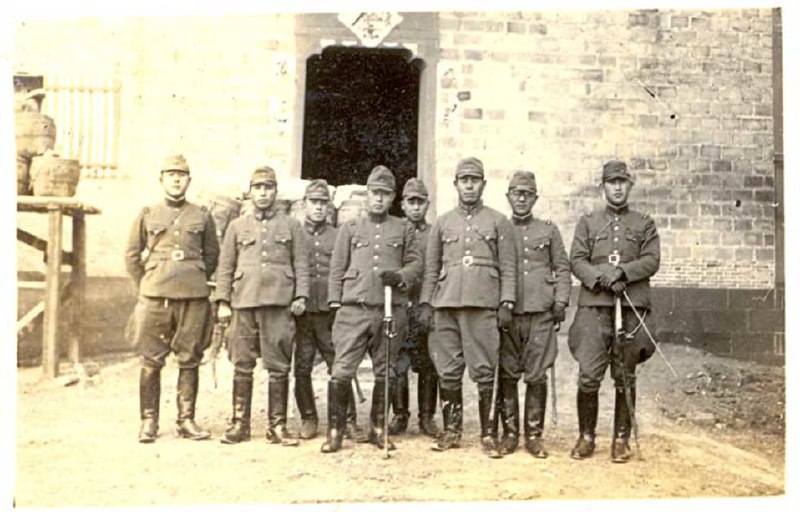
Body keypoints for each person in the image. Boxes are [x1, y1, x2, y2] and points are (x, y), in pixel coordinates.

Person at [419, 157, 516, 457]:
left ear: (483, 184)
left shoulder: (499, 221)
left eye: (475, 180)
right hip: (446, 303)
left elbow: (509, 266)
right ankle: (452, 431)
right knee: (448, 370)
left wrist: (506, 302)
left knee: (484, 369)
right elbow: (432, 267)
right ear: (456, 185)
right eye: (464, 180)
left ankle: (488, 434)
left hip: (482, 303)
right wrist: (426, 303)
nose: (469, 185)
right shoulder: (443, 223)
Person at [321, 165, 422, 453]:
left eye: (385, 194)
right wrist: (334, 303)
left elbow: (416, 264)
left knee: (385, 371)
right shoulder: (350, 228)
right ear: (367, 195)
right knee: (341, 371)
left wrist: (401, 277)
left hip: (390, 312)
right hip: (354, 310)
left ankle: (379, 429)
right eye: (375, 193)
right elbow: (337, 267)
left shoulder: (404, 228)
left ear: (393, 198)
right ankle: (335, 431)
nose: (379, 199)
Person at [568, 160, 660, 463]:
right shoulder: (588, 222)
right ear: (602, 187)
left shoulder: (644, 222)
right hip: (595, 308)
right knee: (589, 375)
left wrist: (621, 272)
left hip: (630, 309)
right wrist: (600, 277)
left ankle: (620, 440)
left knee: (625, 375)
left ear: (630, 185)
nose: (617, 187)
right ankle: (586, 437)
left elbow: (651, 261)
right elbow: (577, 260)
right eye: (611, 182)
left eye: (622, 182)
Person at [124, 154, 219, 443]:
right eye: (171, 174)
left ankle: (186, 420)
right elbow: (131, 255)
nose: (177, 179)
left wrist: (195, 278)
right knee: (151, 360)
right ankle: (149, 421)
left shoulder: (201, 215)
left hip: (192, 297)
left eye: (182, 175)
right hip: (156, 297)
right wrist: (148, 283)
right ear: (162, 179)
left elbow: (212, 254)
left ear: (189, 181)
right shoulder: (148, 213)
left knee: (190, 358)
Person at [215, 166, 310, 446]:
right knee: (242, 364)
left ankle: (277, 426)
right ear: (250, 192)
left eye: (268, 187)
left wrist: (301, 295)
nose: (263, 192)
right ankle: (239, 424)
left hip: (279, 304)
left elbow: (301, 263)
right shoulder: (236, 226)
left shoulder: (292, 226)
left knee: (278, 365)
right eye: (258, 188)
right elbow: (225, 266)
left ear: (275, 191)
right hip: (243, 302)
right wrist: (222, 301)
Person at [498, 171, 570, 458]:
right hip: (509, 313)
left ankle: (534, 436)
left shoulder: (549, 230)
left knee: (537, 374)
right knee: (507, 372)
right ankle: (510, 434)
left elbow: (562, 268)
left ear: (535, 198)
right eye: (516, 193)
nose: (521, 198)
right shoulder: (500, 229)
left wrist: (561, 301)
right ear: (508, 197)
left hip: (541, 312)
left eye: (527, 194)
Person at [293, 179, 368, 443]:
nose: (319, 208)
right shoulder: (295, 233)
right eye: (314, 202)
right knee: (302, 366)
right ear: (304, 205)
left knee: (339, 366)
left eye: (323, 203)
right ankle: (309, 418)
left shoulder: (338, 235)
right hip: (302, 313)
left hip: (330, 313)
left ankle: (347, 420)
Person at [388, 178, 440, 437]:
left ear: (427, 204)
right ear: (402, 205)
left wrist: (428, 303)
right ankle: (399, 415)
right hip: (400, 305)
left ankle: (427, 417)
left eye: (420, 202)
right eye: (411, 202)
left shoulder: (435, 232)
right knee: (398, 362)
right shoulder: (394, 232)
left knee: (428, 362)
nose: (416, 207)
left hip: (426, 305)